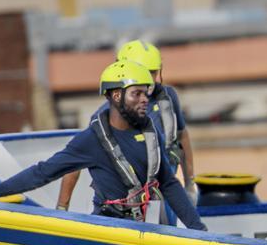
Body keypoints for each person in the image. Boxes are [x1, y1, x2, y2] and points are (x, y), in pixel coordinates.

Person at [0, 60, 205, 230]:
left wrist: (199, 231)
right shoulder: (92, 140)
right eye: (136, 93)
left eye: (146, 94)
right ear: (116, 96)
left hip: (151, 224)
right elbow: (43, 172)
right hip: (111, 229)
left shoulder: (150, 132)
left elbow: (168, 183)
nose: (144, 101)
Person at [56, 39, 196, 210]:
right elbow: (75, 160)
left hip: (161, 200)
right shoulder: (103, 118)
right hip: (121, 208)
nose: (149, 80)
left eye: (153, 73)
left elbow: (182, 137)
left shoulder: (167, 99)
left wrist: (190, 183)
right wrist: (62, 207)